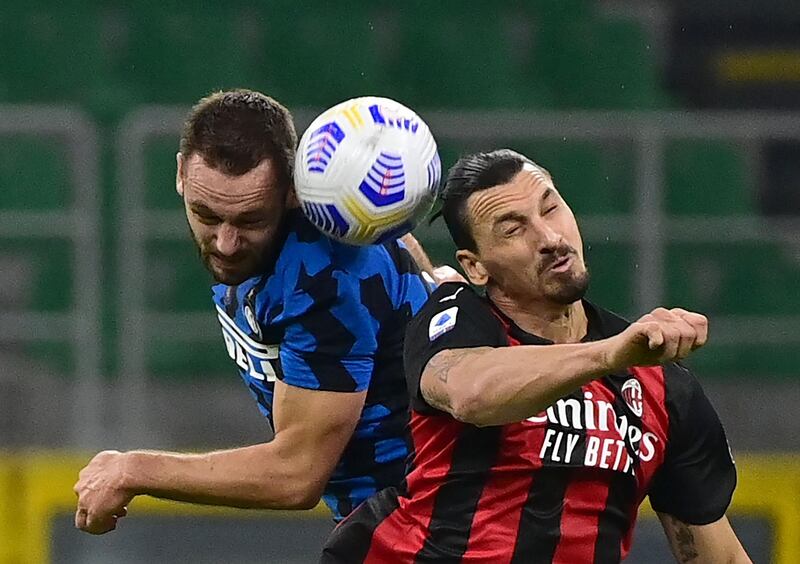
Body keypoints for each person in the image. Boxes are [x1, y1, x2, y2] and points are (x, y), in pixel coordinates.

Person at [321, 149, 750, 563]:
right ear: (476, 268)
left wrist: (616, 354)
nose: (549, 238)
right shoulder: (454, 319)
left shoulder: (663, 386)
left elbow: (719, 555)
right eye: (513, 228)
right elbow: (472, 393)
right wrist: (608, 355)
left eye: (550, 209)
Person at [74, 89, 436, 534]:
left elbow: (296, 476)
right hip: (394, 520)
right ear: (181, 174)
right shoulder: (325, 231)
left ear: (291, 193)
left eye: (250, 221)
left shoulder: (321, 281)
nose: (225, 243)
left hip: (440, 524)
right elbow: (387, 244)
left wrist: (133, 470)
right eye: (206, 215)